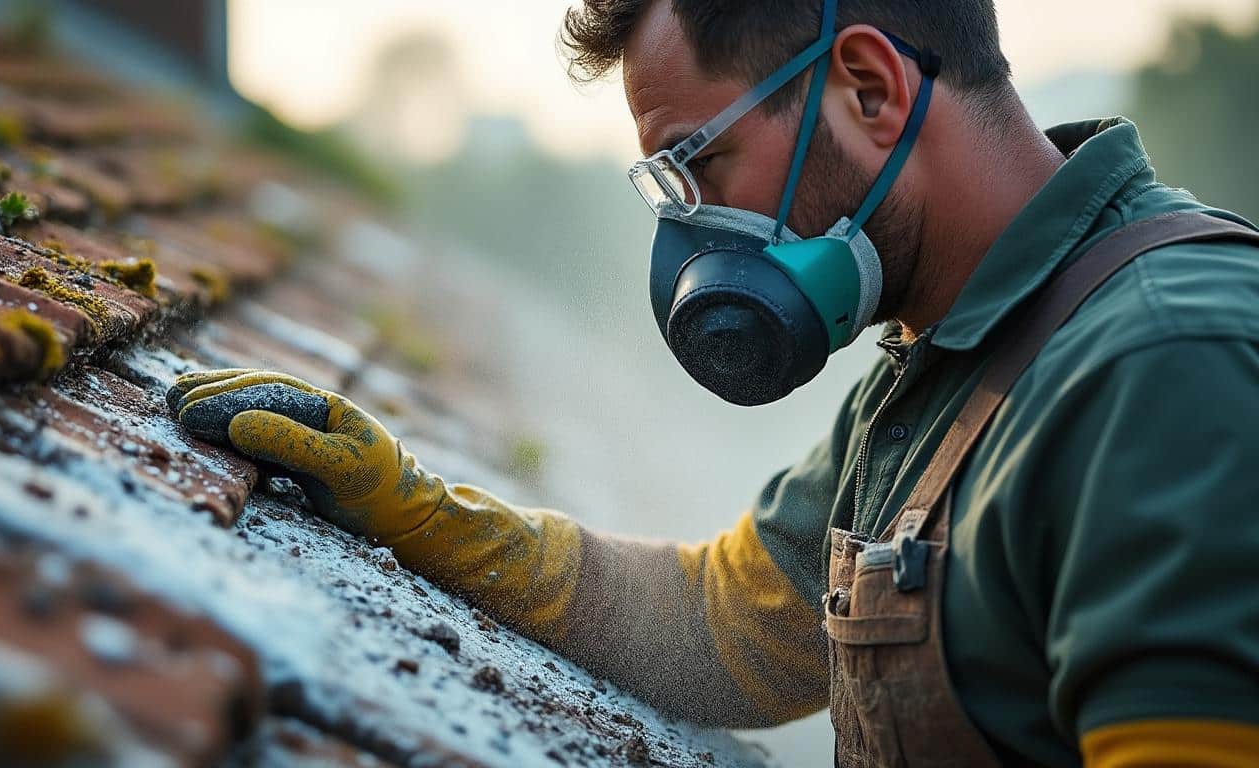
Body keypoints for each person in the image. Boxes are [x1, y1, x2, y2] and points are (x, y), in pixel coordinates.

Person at [167, 0, 1259, 764]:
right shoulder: (954, 355)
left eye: (697, 164)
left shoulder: (1162, 368)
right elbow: (726, 628)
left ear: (868, 88)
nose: (690, 235)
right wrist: (414, 508)